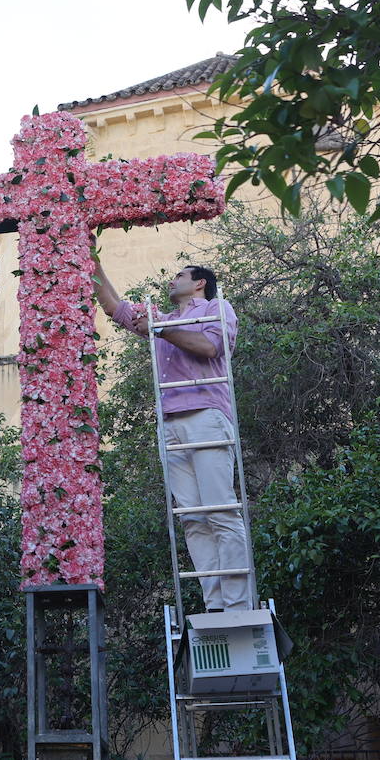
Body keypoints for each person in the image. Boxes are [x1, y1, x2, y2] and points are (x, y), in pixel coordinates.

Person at [94, 260, 248, 612]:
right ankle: (216, 606)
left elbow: (210, 347)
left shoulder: (215, 306)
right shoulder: (159, 319)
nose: (172, 279)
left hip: (207, 415)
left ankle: (238, 606)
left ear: (199, 284)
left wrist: (160, 329)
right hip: (170, 423)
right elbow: (115, 306)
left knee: (219, 510)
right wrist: (92, 262)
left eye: (180, 275)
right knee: (193, 518)